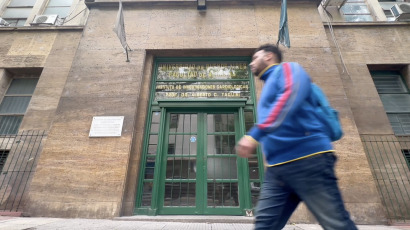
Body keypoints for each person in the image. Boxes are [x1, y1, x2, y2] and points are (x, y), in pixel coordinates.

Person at [236, 44, 358, 230]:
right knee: (264, 224)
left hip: (309, 160)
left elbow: (289, 97)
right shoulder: (269, 84)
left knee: (336, 223)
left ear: (268, 56)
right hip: (277, 169)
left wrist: (255, 135)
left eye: (255, 58)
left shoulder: (288, 69)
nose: (251, 63)